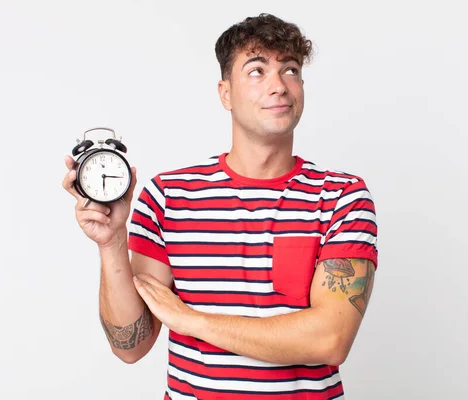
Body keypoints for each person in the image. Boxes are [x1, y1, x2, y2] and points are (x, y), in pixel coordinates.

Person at [62, 13, 378, 400]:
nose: (278, 86)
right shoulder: (168, 197)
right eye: (257, 70)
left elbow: (330, 339)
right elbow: (131, 346)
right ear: (225, 93)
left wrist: (192, 320)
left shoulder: (341, 197)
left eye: (290, 70)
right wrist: (111, 243)